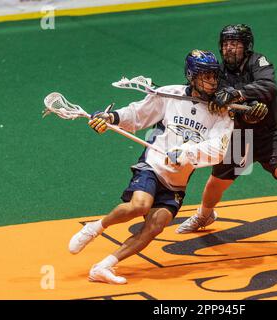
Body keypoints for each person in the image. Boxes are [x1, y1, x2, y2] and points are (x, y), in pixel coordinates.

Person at [68, 50, 237, 284]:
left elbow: (218, 149)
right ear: (191, 76)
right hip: (153, 165)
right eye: (205, 76)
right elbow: (138, 114)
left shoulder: (220, 110)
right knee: (140, 205)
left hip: (177, 181)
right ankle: (94, 228)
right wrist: (111, 118)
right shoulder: (170, 95)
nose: (211, 81)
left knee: (156, 226)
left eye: (214, 76)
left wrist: (186, 152)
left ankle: (103, 267)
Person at [176, 25, 277, 255]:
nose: (229, 48)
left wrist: (238, 94)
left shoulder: (259, 62)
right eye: (226, 43)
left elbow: (268, 87)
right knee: (216, 183)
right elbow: (211, 98)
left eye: (235, 43)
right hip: (240, 137)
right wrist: (218, 102)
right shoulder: (216, 74)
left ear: (246, 46)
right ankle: (204, 215)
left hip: (270, 136)